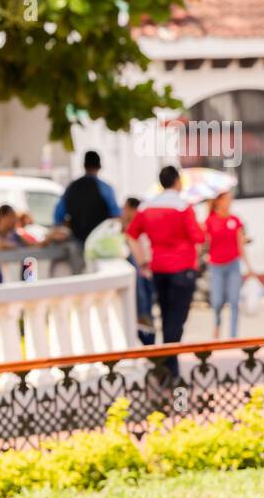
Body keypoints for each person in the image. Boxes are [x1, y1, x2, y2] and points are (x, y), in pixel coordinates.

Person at [124, 166, 203, 375]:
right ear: (177, 182)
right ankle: (170, 366)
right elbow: (198, 237)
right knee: (176, 320)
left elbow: (131, 235)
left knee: (167, 316)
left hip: (159, 269)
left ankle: (168, 364)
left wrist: (142, 261)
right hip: (182, 268)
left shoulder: (147, 207)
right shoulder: (183, 207)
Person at [204, 190, 254, 339]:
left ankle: (233, 336)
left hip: (233, 265)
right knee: (217, 301)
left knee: (234, 301)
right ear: (219, 201)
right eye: (227, 199)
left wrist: (249, 267)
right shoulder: (210, 221)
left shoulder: (235, 220)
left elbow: (240, 245)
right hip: (216, 266)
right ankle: (217, 324)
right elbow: (205, 242)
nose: (230, 202)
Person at [54, 150, 120, 245]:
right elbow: (115, 215)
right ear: (99, 167)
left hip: (77, 240)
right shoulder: (106, 188)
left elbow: (58, 216)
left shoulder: (72, 187)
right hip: (100, 242)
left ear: (84, 166)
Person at [121, 197, 155, 345]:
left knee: (144, 311)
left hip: (144, 274)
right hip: (140, 275)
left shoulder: (136, 228)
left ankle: (149, 344)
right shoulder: (125, 228)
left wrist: (144, 264)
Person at [0, 204, 32, 284]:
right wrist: (13, 246)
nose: (14, 220)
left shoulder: (15, 235)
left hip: (17, 280)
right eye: (11, 216)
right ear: (2, 217)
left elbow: (30, 245)